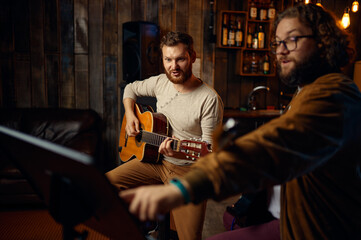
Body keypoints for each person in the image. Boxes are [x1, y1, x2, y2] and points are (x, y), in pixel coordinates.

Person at [119, 4, 361, 239]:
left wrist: (181, 190)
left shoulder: (333, 94)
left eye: (292, 39)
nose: (281, 51)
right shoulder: (307, 90)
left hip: (320, 229)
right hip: (292, 220)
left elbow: (269, 146)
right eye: (278, 43)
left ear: (322, 40)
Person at [106, 31, 224, 240]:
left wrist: (180, 153)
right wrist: (131, 115)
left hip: (188, 172)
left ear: (192, 57)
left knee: (189, 237)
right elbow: (130, 89)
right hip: (154, 161)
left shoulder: (209, 99)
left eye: (180, 59)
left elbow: (210, 152)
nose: (174, 66)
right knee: (107, 184)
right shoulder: (161, 82)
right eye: (168, 59)